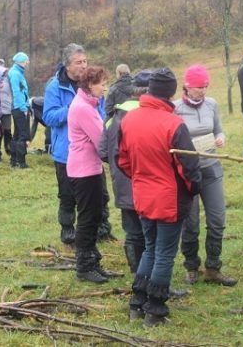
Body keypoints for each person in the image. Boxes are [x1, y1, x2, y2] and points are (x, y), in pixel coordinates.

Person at [118, 68, 201, 327]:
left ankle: (137, 304)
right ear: (171, 92)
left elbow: (123, 159)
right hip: (169, 199)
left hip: (143, 195)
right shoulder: (174, 124)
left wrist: (141, 177)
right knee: (164, 253)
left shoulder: (129, 119)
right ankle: (155, 310)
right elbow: (189, 167)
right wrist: (193, 189)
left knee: (150, 248)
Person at [43, 43, 114, 246]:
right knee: (67, 196)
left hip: (92, 151)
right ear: (67, 65)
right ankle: (68, 231)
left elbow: (102, 111)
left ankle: (103, 228)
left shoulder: (92, 84)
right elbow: (48, 116)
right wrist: (73, 109)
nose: (83, 65)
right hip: (65, 152)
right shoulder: (55, 86)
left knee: (100, 193)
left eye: (85, 61)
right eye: (78, 62)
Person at [174, 65, 237, 287]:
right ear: (187, 86)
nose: (203, 90)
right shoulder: (176, 108)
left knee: (217, 219)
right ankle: (191, 266)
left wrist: (221, 138)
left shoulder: (212, 104)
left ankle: (213, 267)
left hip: (211, 168)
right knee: (190, 223)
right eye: (199, 87)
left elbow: (218, 129)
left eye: (205, 86)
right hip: (188, 172)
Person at [99, 70, 152, 276]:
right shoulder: (148, 115)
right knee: (151, 231)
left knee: (132, 230)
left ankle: (136, 271)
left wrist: (117, 166)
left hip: (121, 182)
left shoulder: (113, 116)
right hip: (146, 182)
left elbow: (103, 151)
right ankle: (148, 272)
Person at [68, 65, 118, 284]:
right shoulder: (83, 108)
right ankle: (85, 266)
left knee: (95, 216)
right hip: (84, 171)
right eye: (102, 84)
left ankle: (94, 262)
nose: (105, 89)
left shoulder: (89, 104)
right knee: (88, 219)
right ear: (90, 85)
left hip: (91, 168)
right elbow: (101, 140)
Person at [8, 52, 31, 168]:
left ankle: (13, 160)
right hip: (19, 108)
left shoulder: (17, 72)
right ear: (21, 62)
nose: (27, 63)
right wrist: (23, 108)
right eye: (26, 61)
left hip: (18, 107)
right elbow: (16, 92)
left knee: (17, 134)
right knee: (23, 135)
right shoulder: (16, 74)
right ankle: (21, 162)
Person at [0, 58, 13, 156]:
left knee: (7, 131)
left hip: (7, 109)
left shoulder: (9, 78)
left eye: (1, 64)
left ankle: (9, 150)